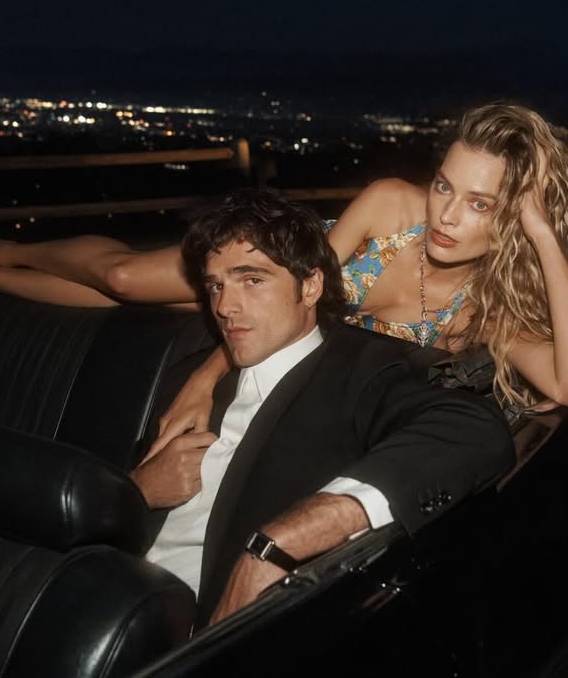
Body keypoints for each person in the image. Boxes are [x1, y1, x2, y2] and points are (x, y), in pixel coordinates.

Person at [0, 103, 568, 427]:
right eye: (445, 185)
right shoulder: (392, 205)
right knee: (123, 278)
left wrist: (543, 236)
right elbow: (292, 295)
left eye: (480, 205)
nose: (446, 215)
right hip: (275, 265)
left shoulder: (488, 312)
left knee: (128, 303)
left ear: (515, 217)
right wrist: (203, 380)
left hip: (286, 319)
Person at [128, 190, 513, 627]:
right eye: (216, 285)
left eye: (251, 280)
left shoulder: (361, 373)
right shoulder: (189, 382)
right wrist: (138, 491)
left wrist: (281, 543)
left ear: (311, 286)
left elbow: (473, 428)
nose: (224, 307)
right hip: (106, 599)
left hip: (205, 636)